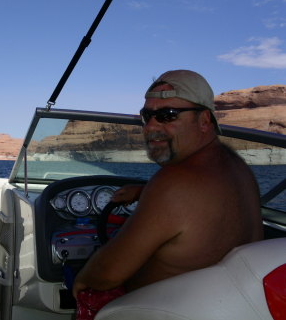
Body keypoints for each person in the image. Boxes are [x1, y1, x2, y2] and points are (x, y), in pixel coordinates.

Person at [73, 70, 263, 308]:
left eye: (167, 115)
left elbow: (107, 273)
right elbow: (204, 205)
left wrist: (82, 278)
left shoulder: (175, 182)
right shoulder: (237, 167)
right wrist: (144, 191)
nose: (151, 127)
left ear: (204, 120)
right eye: (147, 116)